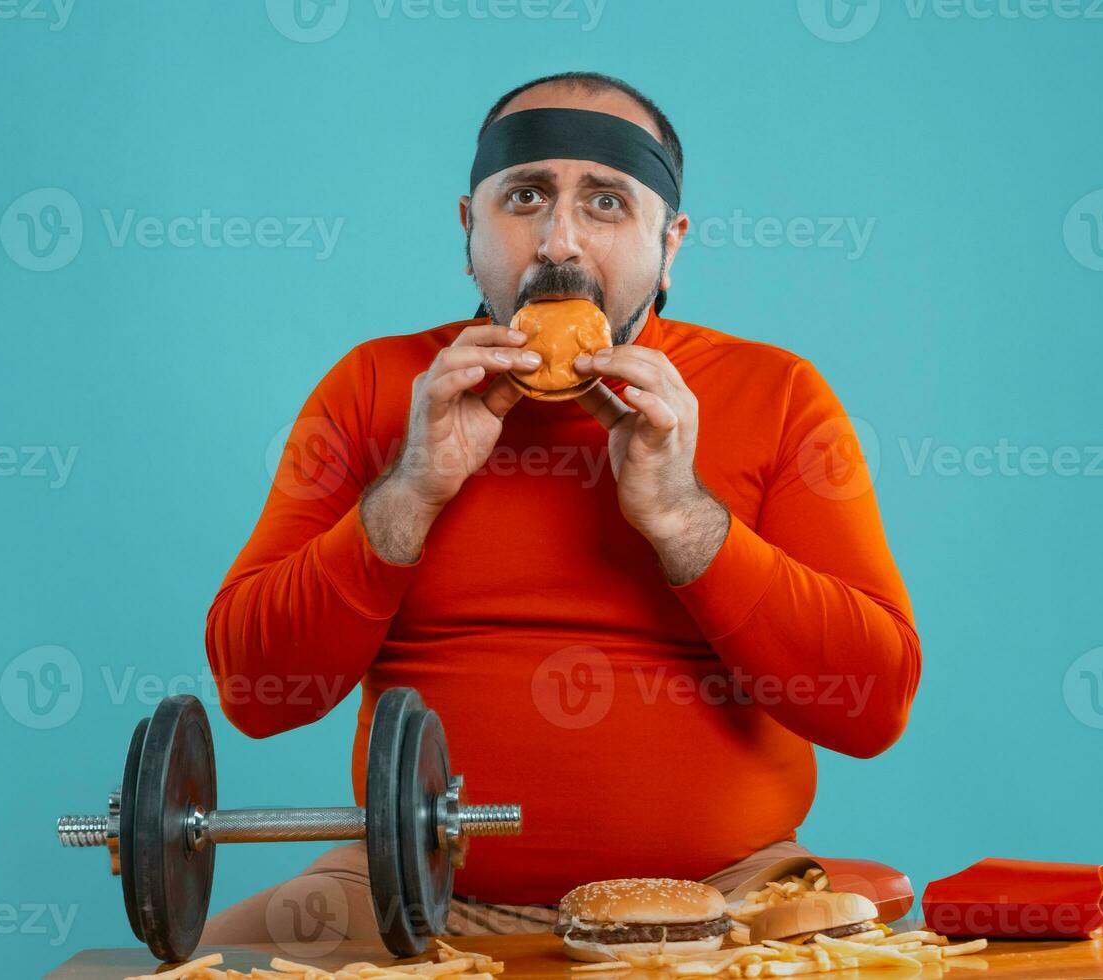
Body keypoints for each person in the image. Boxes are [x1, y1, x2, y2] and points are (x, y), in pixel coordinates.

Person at [200, 71, 921, 946]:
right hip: (405, 890)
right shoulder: (374, 387)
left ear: (670, 244)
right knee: (199, 968)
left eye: (607, 202)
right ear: (469, 229)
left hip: (723, 896)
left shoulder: (778, 394)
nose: (558, 243)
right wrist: (411, 490)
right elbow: (256, 693)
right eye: (526, 196)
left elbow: (872, 705)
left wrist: (684, 521)